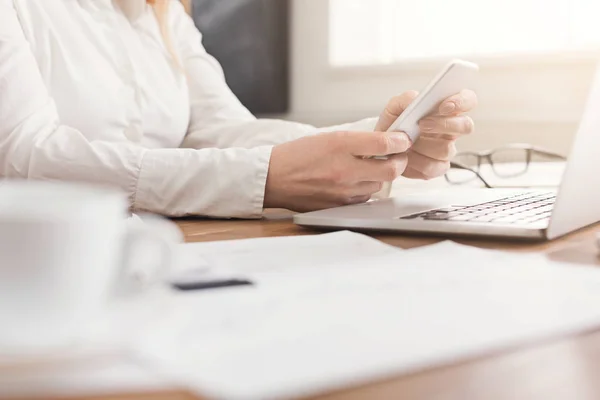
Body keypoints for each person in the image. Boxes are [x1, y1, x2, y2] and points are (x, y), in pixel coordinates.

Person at [0, 0, 477, 218]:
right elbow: (26, 156)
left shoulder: (162, 14)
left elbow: (223, 128)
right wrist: (262, 180)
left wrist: (371, 142)